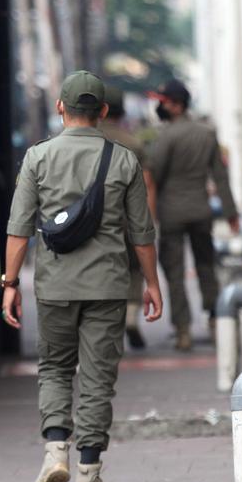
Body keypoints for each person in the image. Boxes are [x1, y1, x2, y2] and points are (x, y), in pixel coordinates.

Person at [3, 70, 163, 482]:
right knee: (97, 378)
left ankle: (56, 451)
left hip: (55, 285)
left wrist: (10, 283)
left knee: (54, 368)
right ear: (103, 112)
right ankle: (89, 476)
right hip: (109, 285)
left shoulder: (37, 157)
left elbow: (19, 230)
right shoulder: (124, 159)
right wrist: (151, 283)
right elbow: (141, 232)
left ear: (61, 108)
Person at [147, 78, 239, 352]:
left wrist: (149, 215)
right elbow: (220, 177)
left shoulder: (166, 136)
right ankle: (214, 321)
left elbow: (155, 177)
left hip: (172, 212)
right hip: (201, 210)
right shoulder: (207, 133)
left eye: (163, 103)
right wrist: (231, 212)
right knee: (206, 267)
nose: (158, 107)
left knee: (174, 272)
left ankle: (183, 330)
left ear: (176, 105)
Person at [98, 86, 157, 350]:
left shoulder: (85, 142)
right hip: (129, 217)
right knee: (134, 269)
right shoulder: (133, 143)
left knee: (100, 270)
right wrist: (148, 220)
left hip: (95, 221)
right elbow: (147, 185)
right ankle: (131, 316)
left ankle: (104, 326)